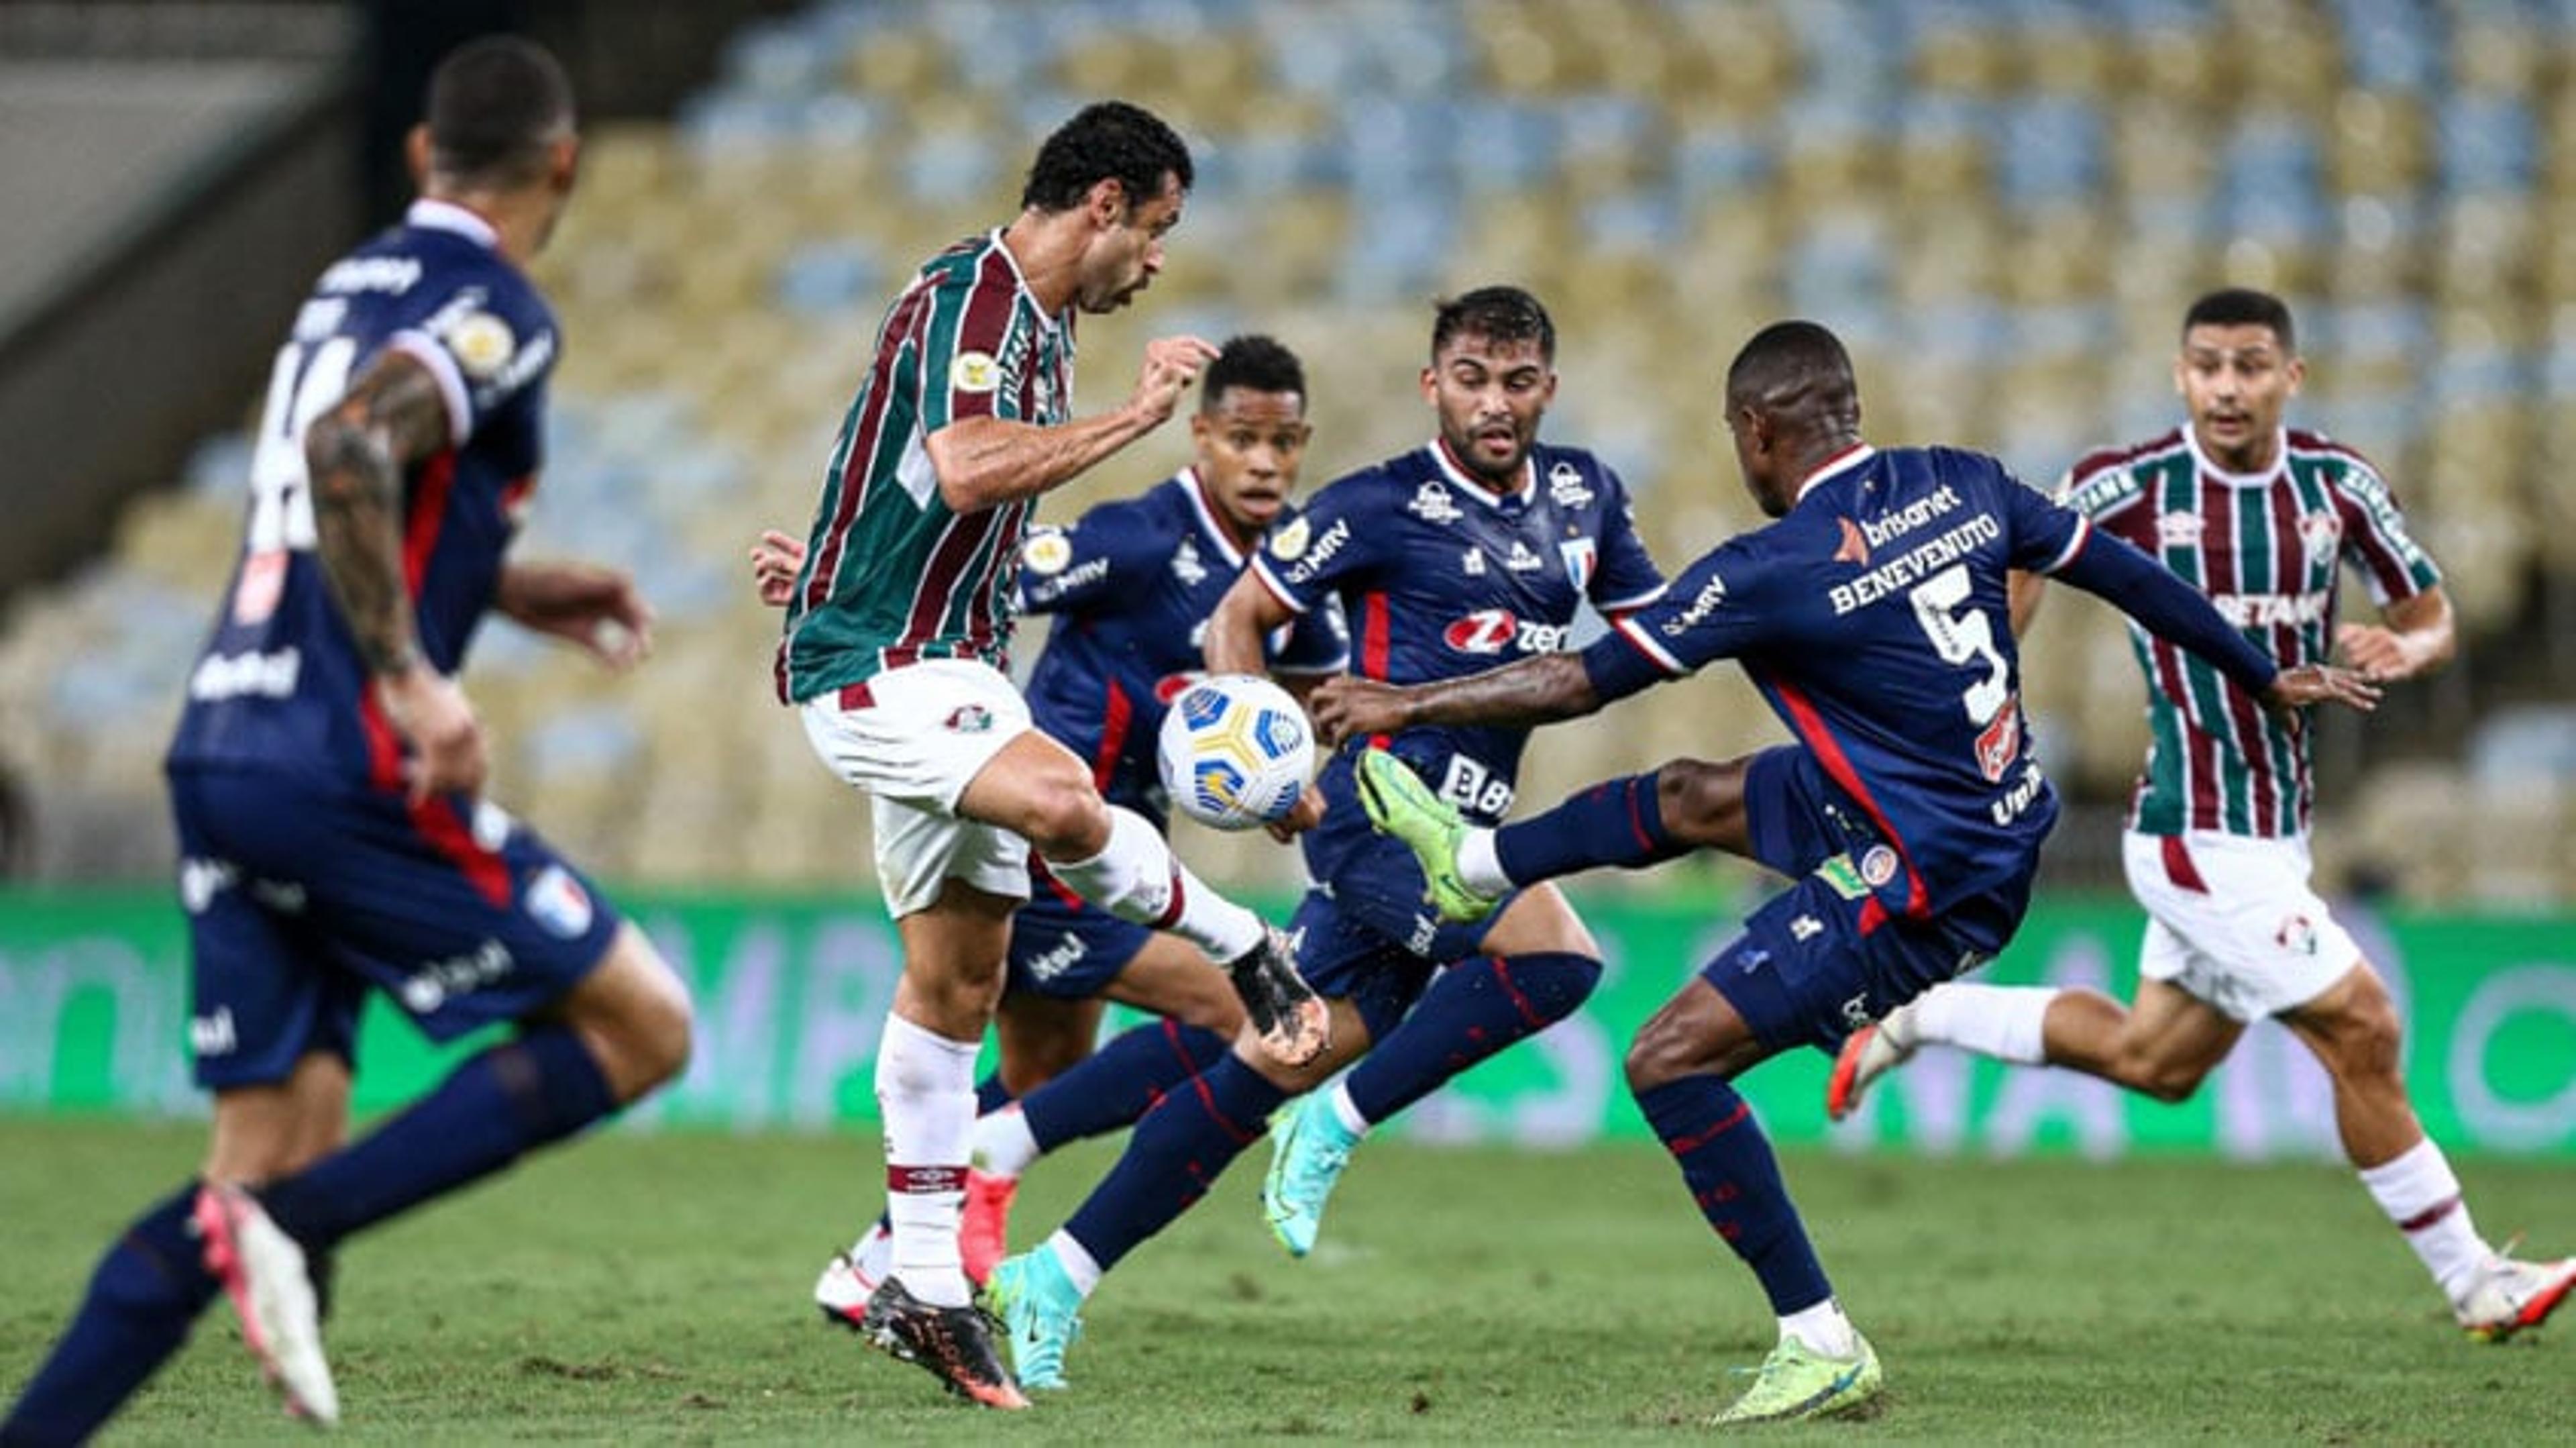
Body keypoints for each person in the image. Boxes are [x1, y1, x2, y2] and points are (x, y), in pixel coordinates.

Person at [1305, 319, 2378, 1423]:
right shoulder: (1965, 482)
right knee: (1692, 793)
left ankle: (1817, 1339)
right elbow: (2126, 574)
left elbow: (1582, 681)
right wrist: (2263, 673)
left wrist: (1406, 702)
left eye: (1738, 438)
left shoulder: (1771, 568)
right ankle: (1477, 861)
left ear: (1757, 431)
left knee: (1670, 1061)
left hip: (1925, 880)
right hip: (1962, 810)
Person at [1, 38, 696, 1444]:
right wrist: (413, 679)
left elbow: (325, 480)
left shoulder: (342, 283)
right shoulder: (493, 303)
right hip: (339, 763)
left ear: (415, 157)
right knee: (642, 1024)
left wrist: (498, 582)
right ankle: (282, 1229)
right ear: (562, 164)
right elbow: (346, 457)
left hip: (224, 745)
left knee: (255, 1153)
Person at [1825, 289, 2575, 1341]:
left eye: (2252, 365)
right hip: (2192, 830)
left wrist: (2406, 649)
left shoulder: (2337, 485)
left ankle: (1920, 1015)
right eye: (2210, 366)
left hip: (2275, 836)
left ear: (2291, 377)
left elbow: (2430, 611)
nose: (2229, 386)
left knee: (2155, 1061)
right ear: (2181, 376)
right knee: (2364, 1027)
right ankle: (2475, 1282)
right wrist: (1974, 716)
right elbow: (2012, 584)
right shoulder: (2122, 486)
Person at [984, 285, 1669, 1392]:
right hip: (1379, 820)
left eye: (1518, 381)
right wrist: (1255, 747)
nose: (1494, 403)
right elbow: (1236, 617)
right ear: (1431, 385)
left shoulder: (1588, 494)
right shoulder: (1376, 504)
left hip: (1468, 824)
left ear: (1549, 385)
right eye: (1471, 379)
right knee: (1559, 960)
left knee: (1267, 1057)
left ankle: (1051, 1274)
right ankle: (1339, 1124)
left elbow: (1647, 631)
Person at [769, 101, 1327, 1410]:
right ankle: (1247, 941)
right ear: (1107, 203)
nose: (1159, 262)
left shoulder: (1042, 327)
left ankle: (913, 1285)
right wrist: (1139, 417)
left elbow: (918, 490)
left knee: (957, 990)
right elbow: (967, 470)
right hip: (879, 665)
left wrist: (823, 561)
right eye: (1160, 229)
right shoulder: (977, 297)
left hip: (945, 655)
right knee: (1060, 795)